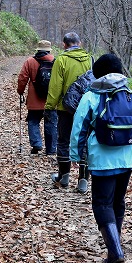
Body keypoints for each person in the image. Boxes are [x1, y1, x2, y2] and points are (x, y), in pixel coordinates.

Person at [69, 53, 132, 263]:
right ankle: (116, 244)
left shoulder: (92, 95)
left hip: (102, 159)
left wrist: (75, 155)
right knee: (118, 201)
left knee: (102, 203)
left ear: (97, 74)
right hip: (128, 156)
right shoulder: (131, 95)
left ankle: (114, 250)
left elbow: (79, 127)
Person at [44, 32, 93, 192]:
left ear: (64, 45)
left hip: (65, 109)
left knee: (64, 141)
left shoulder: (61, 60)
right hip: (86, 109)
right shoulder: (91, 59)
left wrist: (50, 106)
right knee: (85, 141)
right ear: (80, 43)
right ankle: (83, 180)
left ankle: (64, 177)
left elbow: (55, 86)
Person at [17, 40, 57, 155]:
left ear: (38, 50)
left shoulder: (30, 61)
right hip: (51, 100)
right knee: (51, 124)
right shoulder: (55, 62)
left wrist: (20, 91)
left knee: (33, 121)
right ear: (49, 50)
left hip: (34, 100)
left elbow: (22, 78)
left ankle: (37, 144)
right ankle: (51, 150)